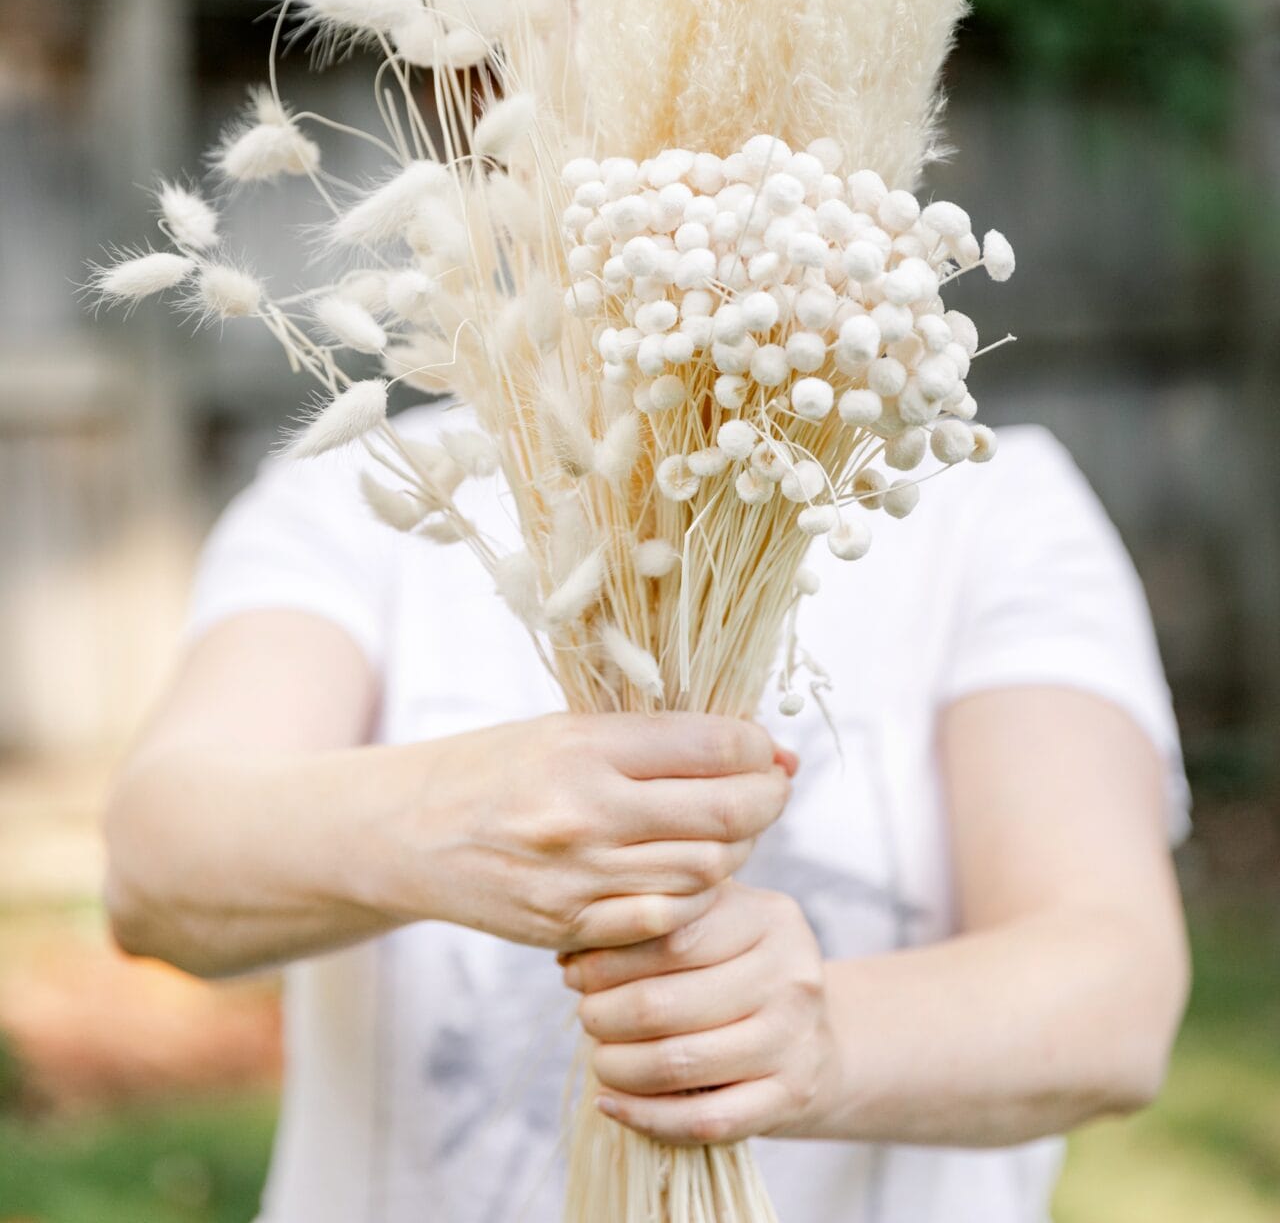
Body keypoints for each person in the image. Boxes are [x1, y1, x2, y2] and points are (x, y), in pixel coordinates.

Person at [105, 399, 1190, 1223]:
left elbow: (1112, 987)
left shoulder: (978, 496)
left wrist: (806, 1041)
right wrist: (443, 817)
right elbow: (158, 864)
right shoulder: (382, 482)